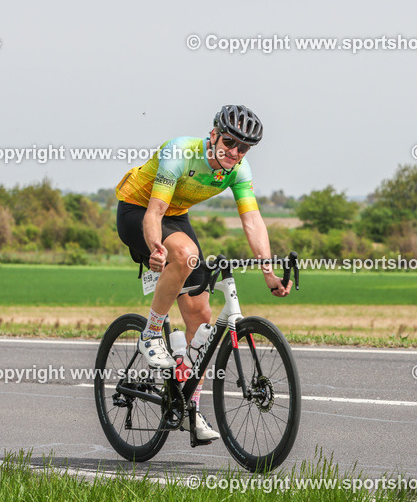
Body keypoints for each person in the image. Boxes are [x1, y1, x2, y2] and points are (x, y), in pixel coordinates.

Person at [115, 105, 292, 442]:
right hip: (138, 211)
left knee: (202, 319)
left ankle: (188, 407)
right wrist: (155, 247)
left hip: (176, 215)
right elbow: (155, 211)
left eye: (244, 148)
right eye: (229, 142)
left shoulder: (238, 170)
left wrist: (268, 271)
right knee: (186, 254)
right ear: (213, 135)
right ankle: (151, 332)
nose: (235, 152)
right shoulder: (180, 152)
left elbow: (252, 221)